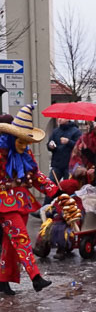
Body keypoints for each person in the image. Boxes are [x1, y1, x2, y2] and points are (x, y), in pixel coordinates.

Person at [0, 108, 59, 294]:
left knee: (11, 245)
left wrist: (54, 189)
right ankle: (36, 277)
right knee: (21, 239)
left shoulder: (24, 152)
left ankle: (3, 280)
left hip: (21, 201)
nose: (24, 143)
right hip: (4, 203)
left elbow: (35, 174)